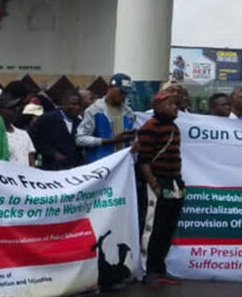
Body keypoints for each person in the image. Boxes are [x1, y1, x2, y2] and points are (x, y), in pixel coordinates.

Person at [135, 91, 185, 286]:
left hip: (174, 182)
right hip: (158, 181)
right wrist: (154, 184)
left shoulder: (174, 128)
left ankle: (160, 268)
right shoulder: (150, 127)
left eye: (176, 104)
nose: (175, 108)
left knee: (168, 226)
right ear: (158, 106)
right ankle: (149, 270)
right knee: (153, 226)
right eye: (171, 104)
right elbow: (144, 160)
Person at [76, 73, 138, 163]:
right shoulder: (94, 111)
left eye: (126, 93)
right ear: (110, 88)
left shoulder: (129, 113)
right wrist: (110, 141)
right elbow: (80, 139)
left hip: (122, 164)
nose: (123, 95)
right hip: (100, 165)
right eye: (121, 92)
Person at [30, 91, 84, 170]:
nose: (77, 107)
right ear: (64, 103)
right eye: (73, 104)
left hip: (69, 169)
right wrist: (51, 154)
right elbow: (33, 140)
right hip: (47, 167)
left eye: (79, 105)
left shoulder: (80, 123)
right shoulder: (47, 119)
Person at [0, 94, 36, 167]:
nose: (16, 110)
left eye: (16, 107)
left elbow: (31, 160)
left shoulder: (23, 134)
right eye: (10, 108)